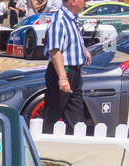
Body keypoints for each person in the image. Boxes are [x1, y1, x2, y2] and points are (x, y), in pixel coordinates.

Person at [42, 0, 88, 133]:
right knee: (52, 116)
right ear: (73, 2)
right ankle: (42, 147)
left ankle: (75, 148)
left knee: (76, 118)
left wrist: (84, 50)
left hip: (74, 73)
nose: (85, 2)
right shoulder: (59, 20)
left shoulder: (72, 19)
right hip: (63, 71)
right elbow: (55, 51)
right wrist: (62, 77)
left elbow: (70, 41)